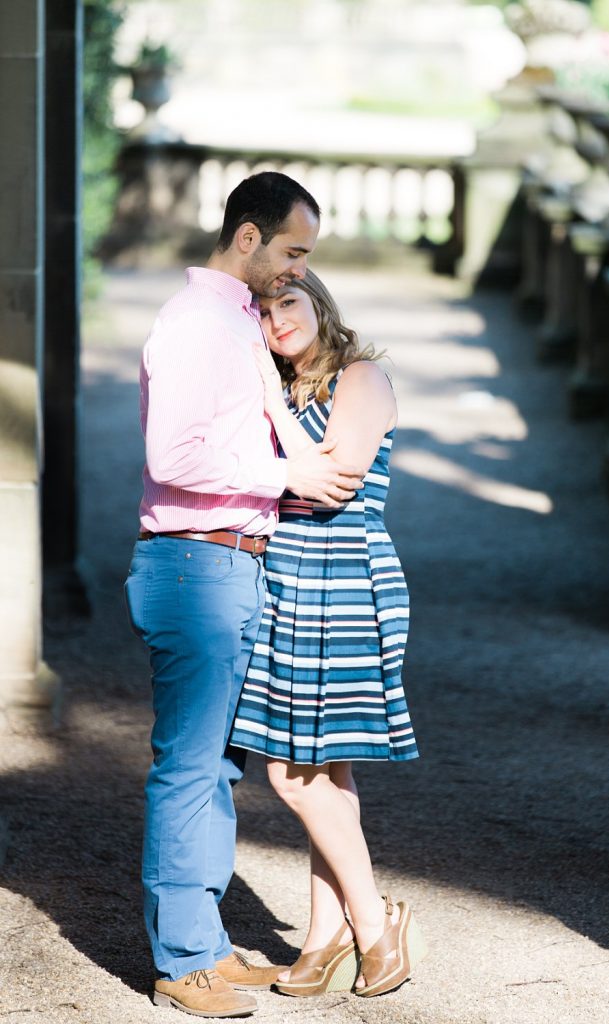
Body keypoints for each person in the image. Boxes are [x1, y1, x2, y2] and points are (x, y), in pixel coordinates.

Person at [124, 172, 366, 1019]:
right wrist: (286, 472)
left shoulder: (231, 324)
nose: (296, 270)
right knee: (188, 764)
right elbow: (173, 458)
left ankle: (204, 943)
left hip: (225, 563)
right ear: (248, 237)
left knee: (212, 768)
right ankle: (183, 961)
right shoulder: (197, 325)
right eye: (292, 250)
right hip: (194, 565)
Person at [230, 269, 426, 999]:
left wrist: (258, 453)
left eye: (289, 302)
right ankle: (324, 934)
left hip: (344, 581)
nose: (278, 320)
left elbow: (334, 481)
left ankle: (375, 924)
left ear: (318, 303)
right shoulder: (281, 391)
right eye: (263, 310)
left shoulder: (361, 377)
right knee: (325, 770)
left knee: (289, 772)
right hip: (287, 577)